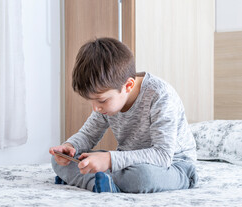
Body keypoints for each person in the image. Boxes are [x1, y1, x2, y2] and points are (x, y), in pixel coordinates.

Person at [49, 37, 198, 193]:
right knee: (59, 161)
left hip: (174, 166)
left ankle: (93, 181)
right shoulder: (107, 101)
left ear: (128, 86)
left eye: (101, 100)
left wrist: (110, 159)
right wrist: (70, 147)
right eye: (91, 101)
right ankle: (106, 184)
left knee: (141, 177)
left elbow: (162, 155)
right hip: (128, 162)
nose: (96, 108)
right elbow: (88, 135)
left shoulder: (160, 96)